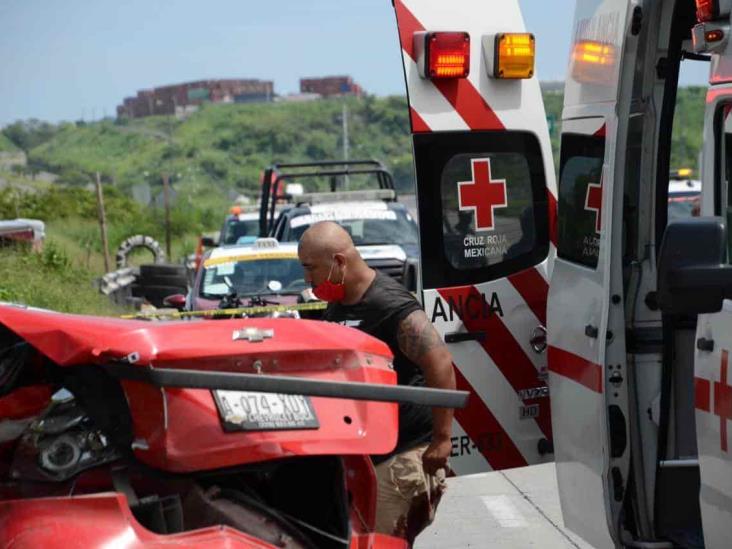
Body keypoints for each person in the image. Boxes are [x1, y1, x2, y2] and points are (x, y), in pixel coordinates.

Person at [298, 221, 455, 545]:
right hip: (368, 453)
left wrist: (442, 439)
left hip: (402, 453)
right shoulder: (340, 302)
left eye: (311, 268)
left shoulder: (390, 305)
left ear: (339, 262)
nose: (307, 279)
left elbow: (439, 362)